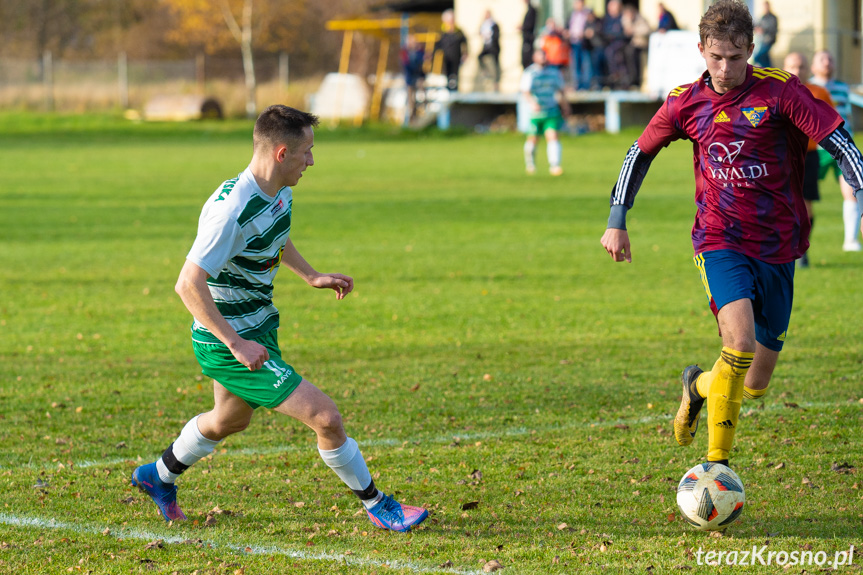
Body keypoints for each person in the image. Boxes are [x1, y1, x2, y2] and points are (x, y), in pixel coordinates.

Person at [131, 105, 429, 533]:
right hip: (229, 341)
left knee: (228, 420)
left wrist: (311, 275)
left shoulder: (276, 191)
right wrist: (236, 343)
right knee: (325, 417)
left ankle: (157, 477)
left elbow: (274, 234)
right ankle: (379, 505)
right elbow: (187, 285)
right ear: (282, 153)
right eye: (307, 152)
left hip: (259, 327)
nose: (312, 161)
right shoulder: (230, 212)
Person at [600, 0, 863, 469]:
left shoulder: (782, 92)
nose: (725, 69)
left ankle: (697, 384)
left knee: (756, 383)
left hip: (779, 245)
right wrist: (617, 217)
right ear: (701, 50)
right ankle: (716, 469)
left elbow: (839, 141)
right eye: (716, 57)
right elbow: (637, 153)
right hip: (719, 239)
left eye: (736, 58)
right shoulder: (686, 101)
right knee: (737, 347)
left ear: (751, 49)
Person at [782, 51, 834, 268]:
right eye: (792, 66)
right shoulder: (775, 93)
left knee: (805, 204)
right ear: (784, 68)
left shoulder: (818, 92)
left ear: (808, 69)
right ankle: (781, 248)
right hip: (781, 156)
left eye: (801, 66)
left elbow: (831, 123)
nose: (797, 71)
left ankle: (802, 248)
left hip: (808, 156)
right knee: (782, 203)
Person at [810, 50, 862, 251]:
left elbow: (847, 114)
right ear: (813, 66)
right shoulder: (808, 87)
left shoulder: (842, 87)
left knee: (850, 190)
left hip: (843, 145)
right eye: (822, 59)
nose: (827, 62)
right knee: (805, 194)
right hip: (818, 146)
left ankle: (851, 240)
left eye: (830, 58)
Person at [521, 48, 570, 176]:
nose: (543, 58)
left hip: (550, 110)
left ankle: (555, 166)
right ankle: (530, 164)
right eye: (540, 56)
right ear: (534, 58)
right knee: (533, 139)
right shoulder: (530, 73)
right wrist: (533, 103)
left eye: (544, 56)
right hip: (535, 113)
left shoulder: (553, 72)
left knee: (552, 136)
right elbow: (525, 91)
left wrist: (565, 106)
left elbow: (561, 90)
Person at [433, 9, 467, 92]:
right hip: (447, 58)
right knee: (448, 75)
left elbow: (464, 42)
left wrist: (465, 53)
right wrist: (433, 55)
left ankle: (454, 90)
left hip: (456, 57)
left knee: (454, 75)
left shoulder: (458, 31)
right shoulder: (443, 32)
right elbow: (438, 45)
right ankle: (449, 90)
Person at [601, 0, 628, 89]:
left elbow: (625, 33)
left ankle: (622, 81)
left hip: (621, 44)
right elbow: (603, 32)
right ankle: (612, 79)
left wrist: (613, 35)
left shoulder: (622, 18)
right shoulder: (607, 20)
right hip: (609, 44)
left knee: (614, 55)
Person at [622, 4, 650, 89]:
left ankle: (635, 80)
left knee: (632, 54)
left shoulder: (641, 19)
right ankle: (626, 78)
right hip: (632, 44)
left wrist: (634, 30)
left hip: (641, 44)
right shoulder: (626, 19)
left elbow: (647, 30)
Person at [401, 34, 426, 124]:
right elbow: (406, 65)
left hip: (418, 77)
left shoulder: (419, 51)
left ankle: (423, 108)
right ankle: (411, 117)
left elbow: (422, 60)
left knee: (421, 90)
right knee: (410, 98)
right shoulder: (405, 52)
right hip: (410, 78)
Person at [567, 0, 592, 90]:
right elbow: (567, 26)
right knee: (575, 65)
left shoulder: (588, 14)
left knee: (585, 64)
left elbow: (592, 26)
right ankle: (577, 85)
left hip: (584, 43)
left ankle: (586, 85)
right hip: (574, 42)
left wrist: (586, 33)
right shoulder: (571, 15)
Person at [478, 10, 501, 92]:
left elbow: (496, 35)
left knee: (496, 64)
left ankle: (496, 83)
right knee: (479, 57)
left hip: (494, 47)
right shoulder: (484, 24)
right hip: (487, 46)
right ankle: (485, 71)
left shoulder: (494, 25)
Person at [753, 1, 777, 68]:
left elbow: (773, 28)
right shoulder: (762, 17)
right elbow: (756, 25)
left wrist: (763, 30)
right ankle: (771, 70)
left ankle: (769, 70)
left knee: (758, 56)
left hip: (769, 40)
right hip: (762, 41)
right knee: (765, 58)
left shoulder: (773, 17)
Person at [519, 0, 538, 70]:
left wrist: (523, 27)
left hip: (528, 39)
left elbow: (530, 25)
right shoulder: (529, 10)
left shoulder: (532, 10)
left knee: (527, 59)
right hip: (526, 38)